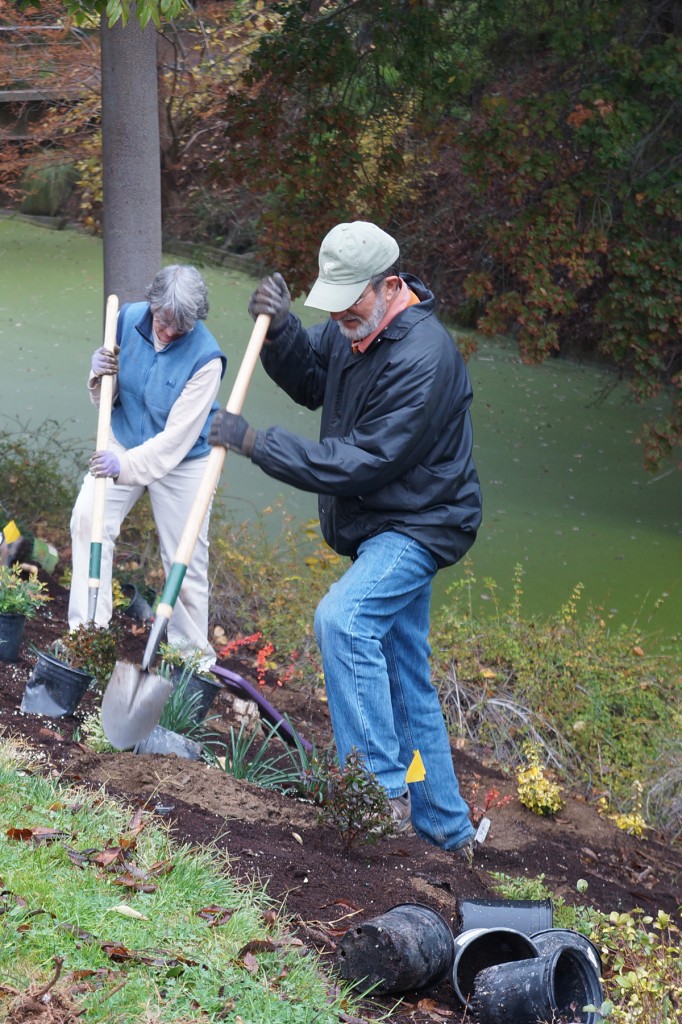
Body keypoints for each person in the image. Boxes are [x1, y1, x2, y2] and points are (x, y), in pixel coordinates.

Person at [208, 222, 482, 856]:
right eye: (327, 303)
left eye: (347, 302)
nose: (337, 315)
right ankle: (447, 828)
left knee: (343, 619)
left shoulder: (425, 359)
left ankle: (376, 792)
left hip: (420, 523)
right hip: (382, 518)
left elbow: (363, 462)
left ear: (389, 286)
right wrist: (279, 332)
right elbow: (312, 381)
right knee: (405, 672)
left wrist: (257, 442)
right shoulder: (357, 327)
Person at [69, 264, 227, 666]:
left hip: (184, 462)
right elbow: (110, 393)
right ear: (153, 305)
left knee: (185, 559)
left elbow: (174, 442)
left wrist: (123, 463)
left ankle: (190, 663)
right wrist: (98, 372)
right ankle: (88, 634)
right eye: (163, 321)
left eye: (180, 328)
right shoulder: (126, 318)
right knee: (89, 519)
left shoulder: (207, 359)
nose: (168, 332)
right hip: (123, 439)